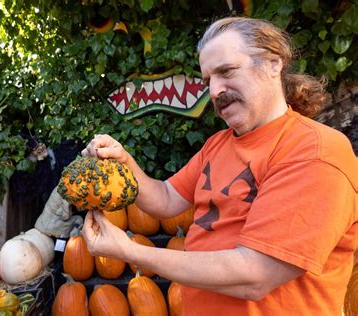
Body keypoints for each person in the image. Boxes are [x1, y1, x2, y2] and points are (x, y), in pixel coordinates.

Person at [81, 17, 358, 315]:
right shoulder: (217, 144)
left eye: (226, 71)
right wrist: (124, 163)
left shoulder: (315, 151)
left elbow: (254, 276)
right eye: (207, 80)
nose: (214, 91)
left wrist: (130, 252)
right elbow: (165, 198)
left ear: (273, 63)